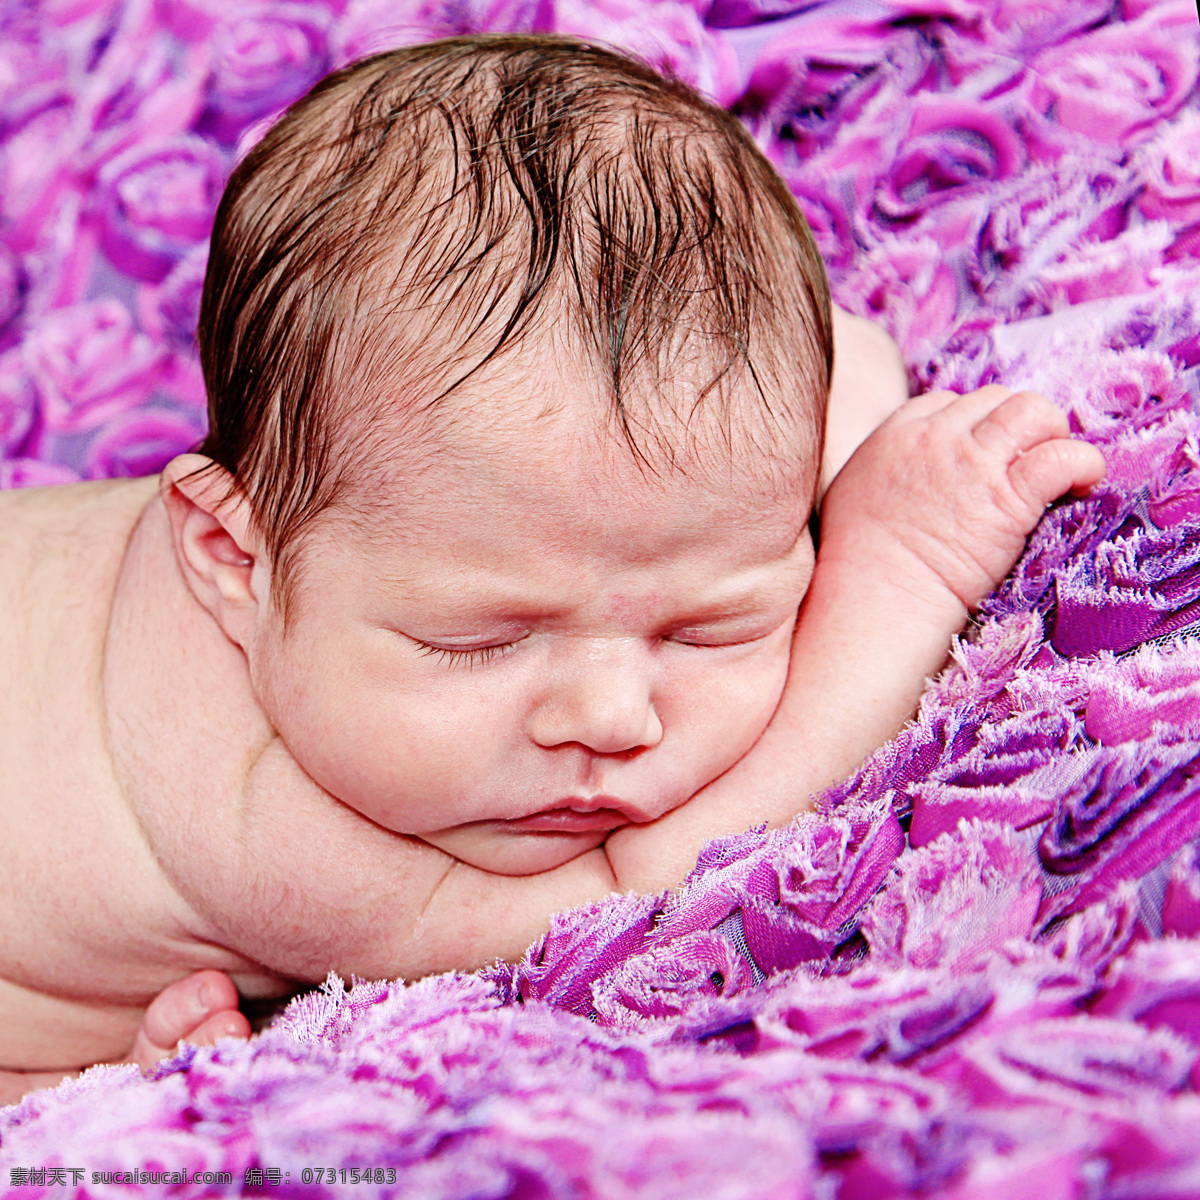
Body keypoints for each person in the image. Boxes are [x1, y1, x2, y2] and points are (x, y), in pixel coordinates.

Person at [0, 34, 1105, 1103]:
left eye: (708, 627)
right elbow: (634, 893)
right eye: (477, 642)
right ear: (234, 562)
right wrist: (901, 567)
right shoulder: (261, 822)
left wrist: (834, 437)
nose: (610, 718)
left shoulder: (422, 540)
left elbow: (814, 377)